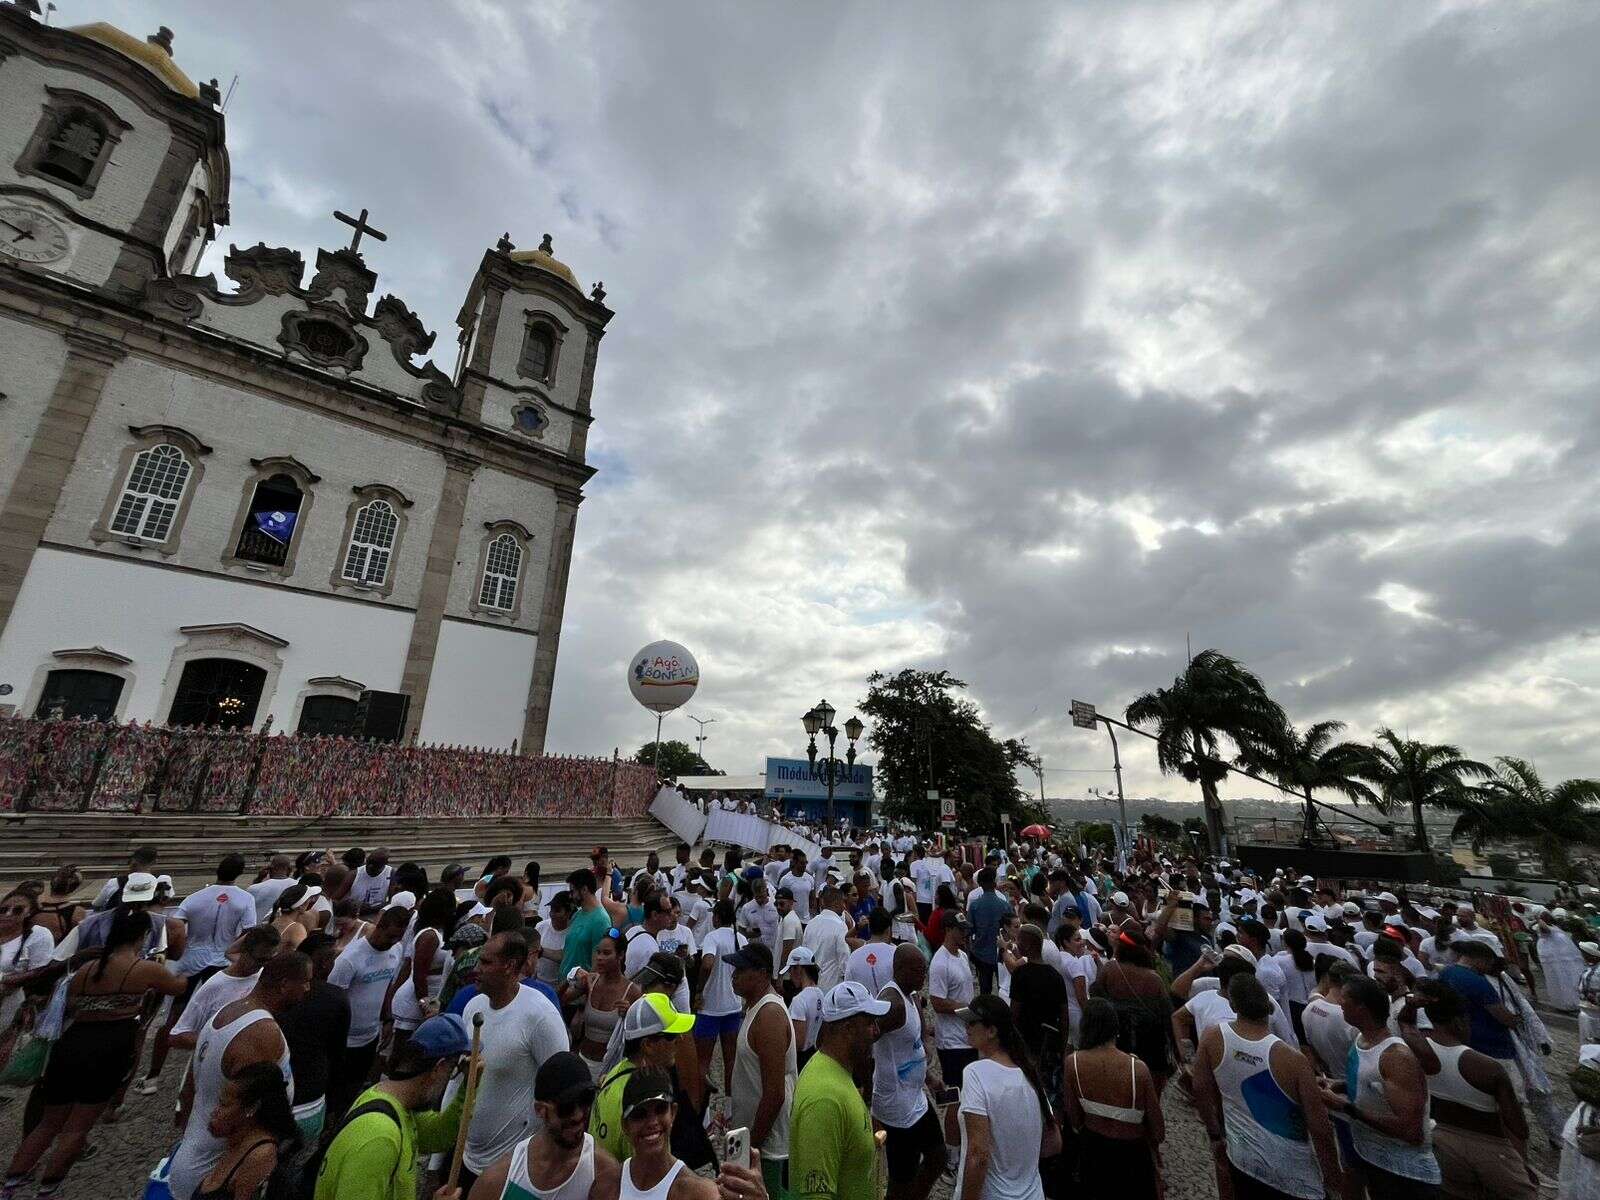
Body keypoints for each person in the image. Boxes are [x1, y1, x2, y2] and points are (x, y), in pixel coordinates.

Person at [2, 908, 187, 1198]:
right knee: (77, 1127)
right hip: (110, 1046)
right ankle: (48, 1189)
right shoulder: (142, 968)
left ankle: (10, 1186)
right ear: (141, 937)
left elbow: (71, 1005)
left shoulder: (87, 968)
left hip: (71, 1043)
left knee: (48, 1123)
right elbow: (178, 986)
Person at [168, 951, 311, 1200]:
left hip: (197, 1157)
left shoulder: (229, 1011)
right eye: (306, 981)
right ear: (285, 985)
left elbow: (189, 1089)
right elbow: (246, 1111)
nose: (309, 988)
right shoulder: (261, 1034)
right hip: (214, 1174)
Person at [1192, 974, 1341, 1200]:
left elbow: (1201, 1089)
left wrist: (1215, 1134)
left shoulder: (1213, 1037)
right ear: (1268, 1006)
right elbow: (1320, 1128)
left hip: (1241, 1158)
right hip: (1292, 1173)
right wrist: (1332, 1180)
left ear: (1233, 1005)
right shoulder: (1292, 1059)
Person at [1399, 980, 1536, 1200]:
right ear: (1459, 1021)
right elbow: (1518, 1127)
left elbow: (1405, 1022)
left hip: (1441, 1140)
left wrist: (1413, 1005)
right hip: (1489, 1148)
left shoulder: (1418, 1047)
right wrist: (1522, 1163)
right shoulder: (1485, 1066)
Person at [313, 1012, 470, 1200]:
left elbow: (437, 1137)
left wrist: (469, 1088)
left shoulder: (397, 1103)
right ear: (439, 1068)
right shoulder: (379, 1136)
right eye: (452, 1071)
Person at [461, 931, 572, 1193]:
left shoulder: (540, 1015)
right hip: (467, 1159)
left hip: (517, 1168)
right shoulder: (473, 1007)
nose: (477, 968)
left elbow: (563, 1090)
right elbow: (459, 1084)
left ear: (510, 966)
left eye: (486, 963)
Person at [140, 853, 258, 1094]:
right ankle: (206, 1071)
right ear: (240, 873)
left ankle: (153, 1076)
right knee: (218, 1017)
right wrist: (233, 949)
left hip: (191, 958)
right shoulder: (245, 899)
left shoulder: (195, 898)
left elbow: (174, 928)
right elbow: (250, 932)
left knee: (173, 1017)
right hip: (222, 961)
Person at [1320, 974, 1441, 1200]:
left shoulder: (1396, 1057)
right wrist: (1341, 1085)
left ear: (1361, 1008)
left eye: (1344, 1000)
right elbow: (1373, 1084)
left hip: (1405, 1174)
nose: (1338, 1004)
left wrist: (1347, 1108)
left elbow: (1411, 1131)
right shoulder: (1361, 1039)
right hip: (1372, 1159)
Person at [469, 1050, 622, 1200]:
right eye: (566, 1107)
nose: (578, 1115)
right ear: (540, 1110)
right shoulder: (498, 1180)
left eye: (585, 1100)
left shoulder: (602, 1172)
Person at [790, 983, 890, 1200]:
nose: (876, 1031)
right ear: (847, 1029)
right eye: (870, 1023)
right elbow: (817, 1195)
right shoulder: (824, 1099)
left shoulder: (837, 1071)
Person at [951, 994, 1053, 1200]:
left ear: (992, 1031)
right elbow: (1053, 1143)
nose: (966, 1027)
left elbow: (978, 1155)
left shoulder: (975, 1073)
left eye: (972, 1022)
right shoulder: (1029, 1074)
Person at [1062, 998, 1163, 1199]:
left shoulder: (1073, 1063)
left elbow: (1074, 1118)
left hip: (1092, 1150)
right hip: (1132, 1154)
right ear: (1115, 1028)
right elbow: (1158, 1130)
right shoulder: (1138, 1069)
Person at [589, 993, 698, 1162]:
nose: (680, 1039)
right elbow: (648, 1177)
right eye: (671, 1035)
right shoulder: (642, 1100)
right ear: (647, 1045)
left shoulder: (618, 1070)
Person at [326, 903, 409, 1118]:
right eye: (389, 936)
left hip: (371, 1036)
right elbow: (334, 1001)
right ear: (379, 927)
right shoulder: (349, 959)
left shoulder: (395, 951)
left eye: (397, 938)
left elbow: (386, 988)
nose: (392, 942)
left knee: (356, 1089)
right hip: (344, 1041)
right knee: (336, 1093)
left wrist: (388, 1020)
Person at [872, 945, 942, 1200]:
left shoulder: (910, 996)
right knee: (902, 1178)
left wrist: (929, 1077)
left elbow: (911, 1048)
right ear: (900, 969)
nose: (924, 976)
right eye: (919, 970)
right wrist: (865, 1097)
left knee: (937, 1156)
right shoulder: (892, 1004)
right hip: (897, 1109)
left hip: (916, 1099)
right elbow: (863, 1040)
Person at [727, 942, 796, 1199]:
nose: (734, 975)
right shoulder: (755, 1007)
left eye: (742, 970)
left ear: (763, 973)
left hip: (769, 1145)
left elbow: (775, 1092)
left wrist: (752, 1144)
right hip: (758, 1138)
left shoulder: (768, 1015)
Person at [189, 1061, 298, 1200]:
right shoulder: (236, 1141)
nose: (216, 1111)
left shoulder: (260, 1156)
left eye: (224, 1104)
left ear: (251, 1109)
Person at [172, 926, 283, 1056]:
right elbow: (177, 1036)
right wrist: (223, 1042)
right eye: (261, 960)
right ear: (245, 952)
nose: (265, 965)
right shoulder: (215, 986)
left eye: (271, 959)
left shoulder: (265, 977)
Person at [1090, 928, 1173, 1093]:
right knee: (1149, 1086)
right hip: (1149, 1038)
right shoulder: (1153, 978)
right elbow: (1166, 1012)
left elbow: (1096, 994)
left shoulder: (1110, 969)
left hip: (1117, 1033)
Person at [616, 1069, 719, 1200]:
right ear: (625, 1125)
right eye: (640, 1115)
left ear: (673, 1113)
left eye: (660, 1110)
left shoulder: (698, 1193)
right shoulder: (610, 1183)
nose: (652, 1122)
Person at [392, 887, 458, 1052]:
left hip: (427, 999)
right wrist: (425, 1005)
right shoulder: (430, 936)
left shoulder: (439, 933)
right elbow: (419, 975)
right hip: (415, 1002)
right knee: (403, 1052)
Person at [572, 928, 638, 1082]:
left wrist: (630, 1014)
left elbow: (640, 1038)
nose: (599, 958)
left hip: (610, 1070)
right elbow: (559, 999)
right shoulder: (590, 981)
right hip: (582, 1063)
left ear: (620, 955)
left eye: (606, 953)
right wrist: (573, 974)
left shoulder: (632, 991)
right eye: (598, 952)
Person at [693, 900, 743, 1095]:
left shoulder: (712, 937)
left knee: (702, 1060)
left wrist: (699, 990)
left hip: (710, 1008)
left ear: (718, 917)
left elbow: (707, 964)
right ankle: (730, 1106)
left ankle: (702, 1107)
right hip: (733, 1006)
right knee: (730, 1059)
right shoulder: (741, 939)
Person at [928, 913, 977, 1085]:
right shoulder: (940, 962)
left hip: (968, 1038)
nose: (965, 933)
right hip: (952, 1042)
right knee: (956, 1094)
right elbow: (937, 1002)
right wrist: (970, 1011)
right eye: (960, 930)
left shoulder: (962, 956)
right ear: (948, 930)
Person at [966, 871, 1011, 997]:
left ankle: (986, 1014)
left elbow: (968, 931)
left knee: (985, 990)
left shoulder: (975, 905)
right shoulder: (1005, 905)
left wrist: (971, 950)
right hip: (1001, 953)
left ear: (980, 884)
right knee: (1004, 988)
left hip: (981, 953)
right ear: (995, 883)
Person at [562, 870, 615, 978]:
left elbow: (599, 965)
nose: (570, 896)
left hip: (579, 990)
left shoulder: (601, 920)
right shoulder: (577, 915)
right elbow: (568, 953)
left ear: (584, 890)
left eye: (573, 891)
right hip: (565, 986)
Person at [800, 886, 852, 993]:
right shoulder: (840, 926)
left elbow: (804, 956)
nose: (844, 907)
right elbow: (845, 959)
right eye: (843, 902)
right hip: (831, 989)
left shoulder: (811, 924)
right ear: (837, 903)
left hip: (811, 987)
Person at [784, 949, 823, 1067]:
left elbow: (798, 1043)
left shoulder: (799, 1000)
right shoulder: (820, 993)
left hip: (799, 1060)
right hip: (814, 1054)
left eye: (791, 969)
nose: (790, 975)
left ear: (799, 968)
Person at [246, 854, 297, 924]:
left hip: (259, 930)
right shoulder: (299, 885)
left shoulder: (254, 888)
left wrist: (258, 879)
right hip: (288, 928)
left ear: (270, 869)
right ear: (289, 869)